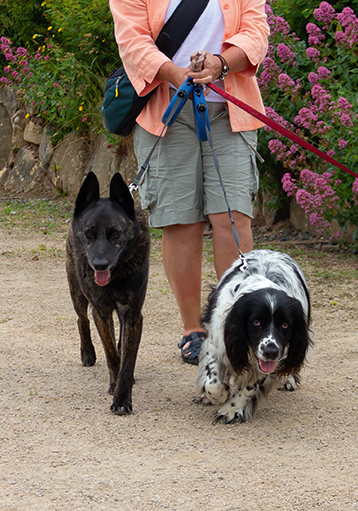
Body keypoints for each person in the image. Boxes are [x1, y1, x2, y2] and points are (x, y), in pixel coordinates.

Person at [109, 0, 269, 364]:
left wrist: (221, 63)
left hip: (230, 107)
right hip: (166, 108)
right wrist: (173, 72)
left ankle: (233, 323)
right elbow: (132, 41)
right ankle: (192, 329)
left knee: (233, 217)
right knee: (180, 220)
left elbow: (256, 32)